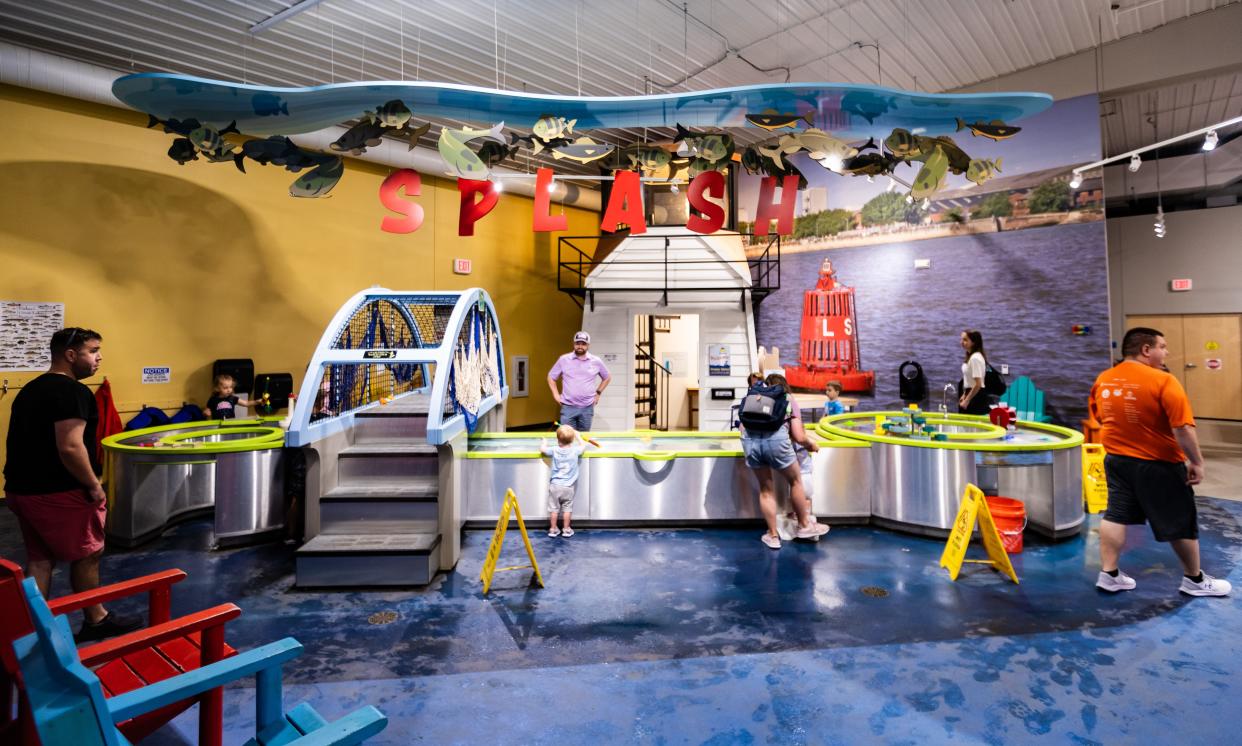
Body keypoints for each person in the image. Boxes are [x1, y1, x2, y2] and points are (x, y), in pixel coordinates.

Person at [3, 327, 141, 641]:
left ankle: (30, 628)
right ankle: (96, 618)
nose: (99, 358)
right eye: (93, 351)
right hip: (59, 492)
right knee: (88, 553)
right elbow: (70, 446)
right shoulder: (72, 392)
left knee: (40, 559)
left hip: (22, 490)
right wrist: (94, 485)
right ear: (70, 355)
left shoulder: (30, 390)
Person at [1090, 327, 1229, 597]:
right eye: (1162, 347)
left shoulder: (1104, 379)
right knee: (1179, 519)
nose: (1166, 352)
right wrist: (1197, 462)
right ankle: (1195, 580)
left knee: (1116, 514)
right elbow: (1183, 429)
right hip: (1158, 464)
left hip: (1117, 460)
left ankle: (1109, 574)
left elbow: (1099, 417)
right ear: (1146, 350)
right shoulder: (1163, 381)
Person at [740, 373, 829, 549]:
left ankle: (772, 536)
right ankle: (804, 526)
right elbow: (798, 435)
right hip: (776, 442)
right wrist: (810, 444)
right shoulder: (787, 398)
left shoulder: (753, 397)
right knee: (795, 482)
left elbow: (742, 426)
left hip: (750, 442)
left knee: (766, 489)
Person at [547, 331, 611, 431]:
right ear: (574, 344)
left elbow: (607, 377)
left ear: (588, 345)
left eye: (583, 344)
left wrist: (598, 393)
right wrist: (555, 395)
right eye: (578, 343)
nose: (580, 346)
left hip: (587, 407)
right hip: (568, 407)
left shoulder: (596, 361)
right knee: (567, 437)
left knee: (583, 438)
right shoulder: (564, 359)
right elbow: (551, 377)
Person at [541, 425, 588, 537]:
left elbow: (543, 450)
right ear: (572, 439)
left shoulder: (554, 450)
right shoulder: (575, 450)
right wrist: (578, 436)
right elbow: (583, 446)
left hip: (555, 485)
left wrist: (544, 441)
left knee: (554, 509)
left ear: (557, 439)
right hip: (568, 486)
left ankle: (553, 529)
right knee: (567, 508)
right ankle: (566, 529)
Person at [957, 330, 990, 415]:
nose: (962, 342)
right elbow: (970, 380)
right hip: (971, 393)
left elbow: (978, 384)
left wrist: (967, 400)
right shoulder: (971, 357)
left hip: (976, 397)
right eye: (962, 339)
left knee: (970, 426)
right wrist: (965, 394)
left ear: (974, 342)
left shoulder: (975, 358)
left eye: (965, 340)